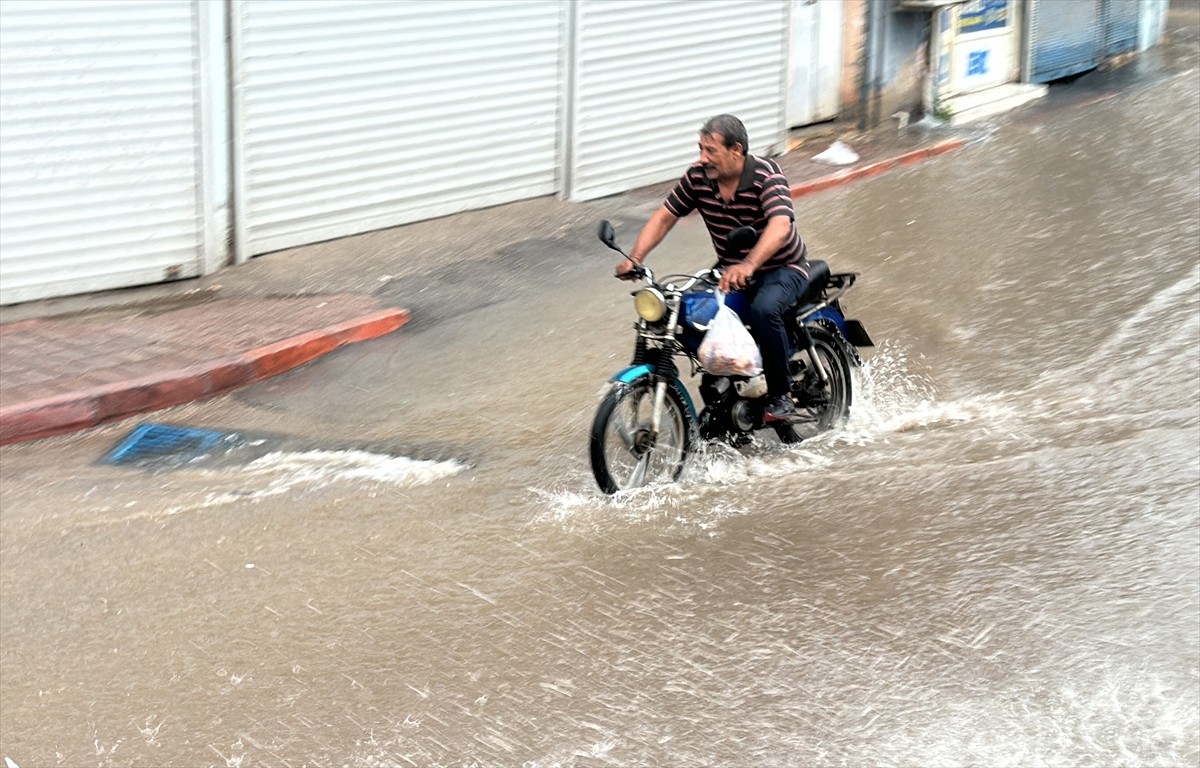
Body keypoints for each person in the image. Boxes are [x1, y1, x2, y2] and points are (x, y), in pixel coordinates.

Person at [615, 114, 811, 423]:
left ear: (736, 150)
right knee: (693, 313)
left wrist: (749, 263)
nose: (702, 158)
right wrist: (636, 257)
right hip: (731, 271)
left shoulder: (766, 174)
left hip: (782, 267)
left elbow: (780, 225)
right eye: (700, 149)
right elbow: (666, 215)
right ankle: (723, 394)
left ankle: (780, 397)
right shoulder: (698, 177)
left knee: (764, 309)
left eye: (710, 151)